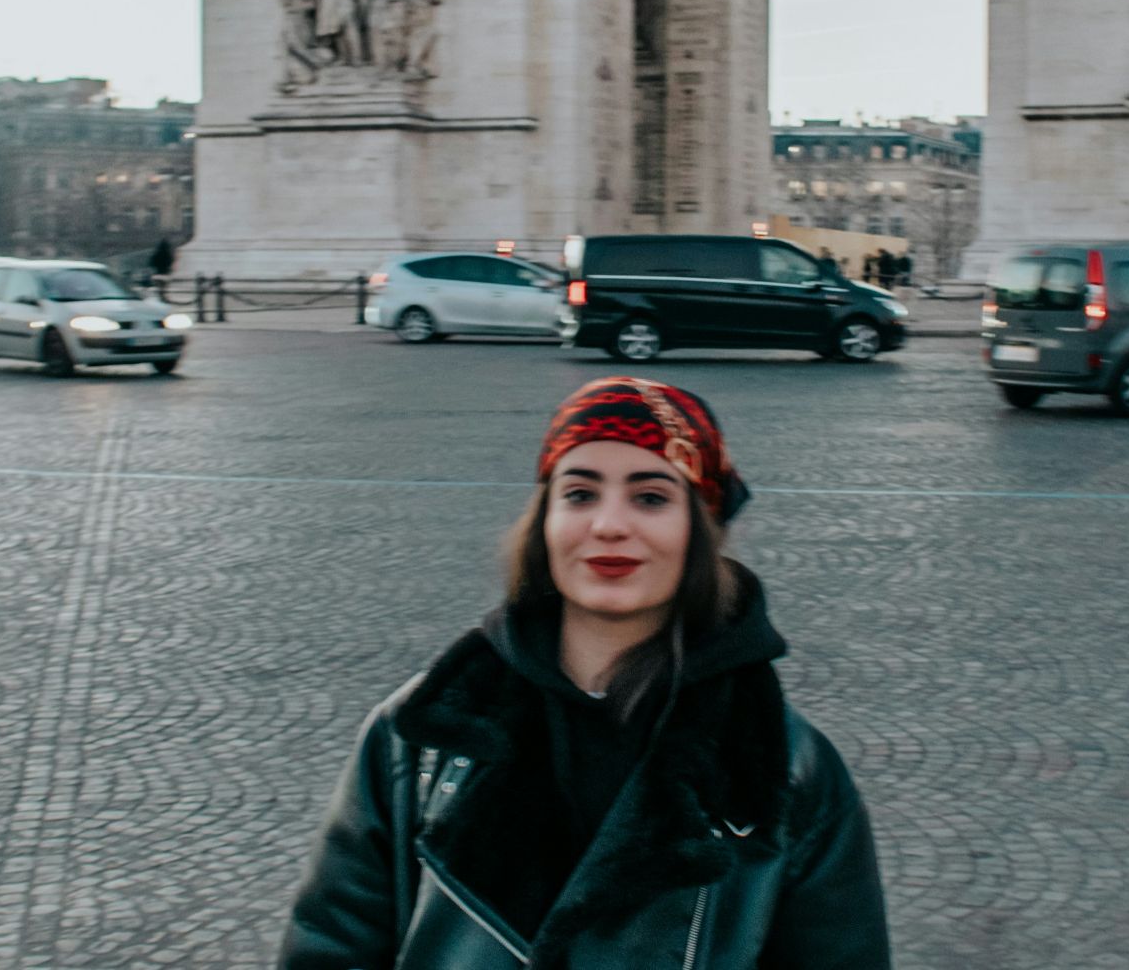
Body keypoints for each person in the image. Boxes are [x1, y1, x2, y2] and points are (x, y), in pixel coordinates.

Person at [277, 377, 892, 970]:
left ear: (701, 529)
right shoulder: (424, 734)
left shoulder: (786, 769)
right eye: (580, 493)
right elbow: (332, 945)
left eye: (651, 496)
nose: (608, 525)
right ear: (545, 521)